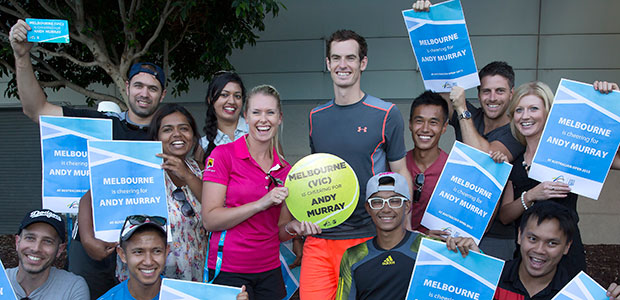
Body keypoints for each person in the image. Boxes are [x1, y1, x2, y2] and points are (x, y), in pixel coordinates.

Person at [10, 19, 167, 298]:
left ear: (163, 94)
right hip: (92, 243)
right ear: (127, 87)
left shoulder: (169, 136)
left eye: (153, 88)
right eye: (139, 85)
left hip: (145, 247)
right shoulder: (99, 124)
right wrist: (22, 55)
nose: (144, 93)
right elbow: (36, 110)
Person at [304, 29, 413, 300]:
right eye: (336, 58)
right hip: (320, 238)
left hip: (366, 238)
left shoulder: (387, 113)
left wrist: (405, 229)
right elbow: (314, 178)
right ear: (327, 64)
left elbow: (400, 171)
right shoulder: (315, 117)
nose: (343, 65)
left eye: (350, 58)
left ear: (363, 63)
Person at [202, 84, 320, 300]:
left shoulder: (286, 170)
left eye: (270, 112)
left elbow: (278, 231)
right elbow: (210, 220)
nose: (263, 120)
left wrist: (294, 228)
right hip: (228, 269)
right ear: (246, 117)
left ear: (280, 118)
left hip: (269, 270)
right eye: (256, 112)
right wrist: (261, 203)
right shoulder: (223, 155)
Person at [336, 172, 480, 300]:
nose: (386, 209)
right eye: (377, 202)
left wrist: (476, 255)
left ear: (407, 206)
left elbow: (469, 288)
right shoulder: (353, 256)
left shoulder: (430, 247)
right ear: (368, 208)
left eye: (394, 201)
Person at [115, 104, 207, 282]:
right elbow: (94, 194)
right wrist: (90, 238)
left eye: (184, 129)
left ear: (193, 135)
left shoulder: (200, 170)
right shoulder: (139, 169)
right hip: (149, 273)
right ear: (156, 136)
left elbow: (213, 206)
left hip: (193, 274)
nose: (177, 134)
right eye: (167, 130)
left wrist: (187, 175)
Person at [100, 215, 249, 300]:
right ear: (122, 255)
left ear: (167, 251)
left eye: (156, 251)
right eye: (138, 252)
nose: (148, 261)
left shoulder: (185, 295)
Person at [494, 201, 620, 300]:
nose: (539, 250)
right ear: (519, 236)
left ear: (567, 247)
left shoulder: (578, 294)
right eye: (533, 239)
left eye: (552, 243)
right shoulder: (491, 278)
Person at [8, 209, 89, 300]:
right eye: (30, 238)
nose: (36, 248)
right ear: (17, 242)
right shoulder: (2, 279)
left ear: (59, 250)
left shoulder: (72, 287)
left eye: (47, 241)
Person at [405, 91, 449, 233]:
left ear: (444, 127)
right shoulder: (396, 165)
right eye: (419, 121)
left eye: (433, 122)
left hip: (438, 249)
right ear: (410, 124)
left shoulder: (452, 170)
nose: (425, 129)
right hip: (399, 249)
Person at [201, 71, 248, 157]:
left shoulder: (256, 131)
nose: (232, 101)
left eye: (237, 96)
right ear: (210, 100)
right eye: (224, 95)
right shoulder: (204, 145)